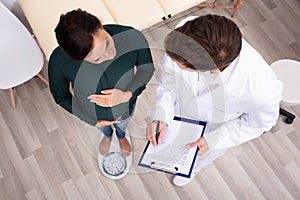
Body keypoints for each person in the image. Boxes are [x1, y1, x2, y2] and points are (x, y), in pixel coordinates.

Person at [146, 14, 283, 186]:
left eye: (180, 64)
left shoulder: (260, 90)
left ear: (212, 69)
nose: (171, 61)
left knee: (198, 158)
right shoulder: (186, 35)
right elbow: (169, 80)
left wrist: (213, 140)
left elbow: (257, 125)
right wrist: (162, 113)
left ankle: (192, 170)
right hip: (179, 114)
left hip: (214, 130)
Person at [48, 9, 154, 157]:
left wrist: (128, 95)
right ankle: (107, 135)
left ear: (99, 24)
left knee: (123, 124)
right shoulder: (59, 60)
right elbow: (61, 97)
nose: (111, 54)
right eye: (97, 59)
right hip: (93, 115)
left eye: (106, 43)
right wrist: (92, 120)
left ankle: (122, 136)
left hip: (126, 108)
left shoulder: (132, 37)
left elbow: (147, 70)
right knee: (104, 128)